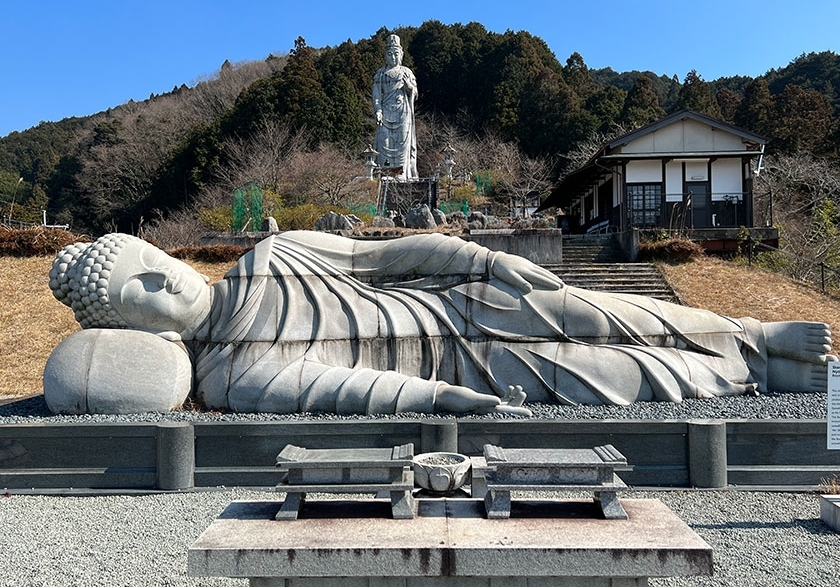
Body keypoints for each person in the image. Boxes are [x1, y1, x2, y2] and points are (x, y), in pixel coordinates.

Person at [47, 231, 833, 415]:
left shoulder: (276, 252)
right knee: (617, 377)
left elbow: (385, 256)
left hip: (459, 304)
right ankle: (759, 372)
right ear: (139, 329)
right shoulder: (225, 377)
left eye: (153, 260)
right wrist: (441, 400)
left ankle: (753, 331)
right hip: (459, 370)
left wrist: (482, 260)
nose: (166, 278)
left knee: (609, 310)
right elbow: (349, 388)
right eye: (142, 291)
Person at [372, 34, 417, 181]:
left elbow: (415, 93)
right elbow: (376, 96)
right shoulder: (380, 74)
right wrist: (378, 111)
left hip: (403, 111)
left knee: (403, 142)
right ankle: (387, 173)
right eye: (390, 54)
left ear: (402, 54)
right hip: (385, 112)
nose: (393, 57)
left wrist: (409, 86)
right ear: (385, 55)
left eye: (396, 54)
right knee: (384, 142)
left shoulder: (407, 72)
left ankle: (402, 173)